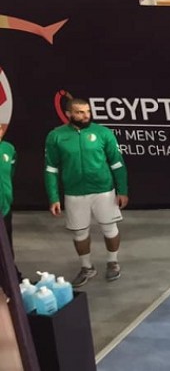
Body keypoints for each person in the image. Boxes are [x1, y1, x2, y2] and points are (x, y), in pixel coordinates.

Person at [45, 98, 129, 287]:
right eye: (80, 112)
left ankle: (113, 262)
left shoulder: (103, 133)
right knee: (79, 234)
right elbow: (51, 168)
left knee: (110, 229)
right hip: (74, 193)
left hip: (103, 191)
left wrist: (122, 190)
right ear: (68, 114)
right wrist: (53, 197)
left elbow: (117, 163)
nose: (85, 115)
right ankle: (86, 267)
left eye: (87, 111)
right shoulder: (56, 136)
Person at [0, 126, 19, 281]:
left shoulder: (9, 148)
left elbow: (11, 172)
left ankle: (9, 277)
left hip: (4, 206)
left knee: (6, 246)